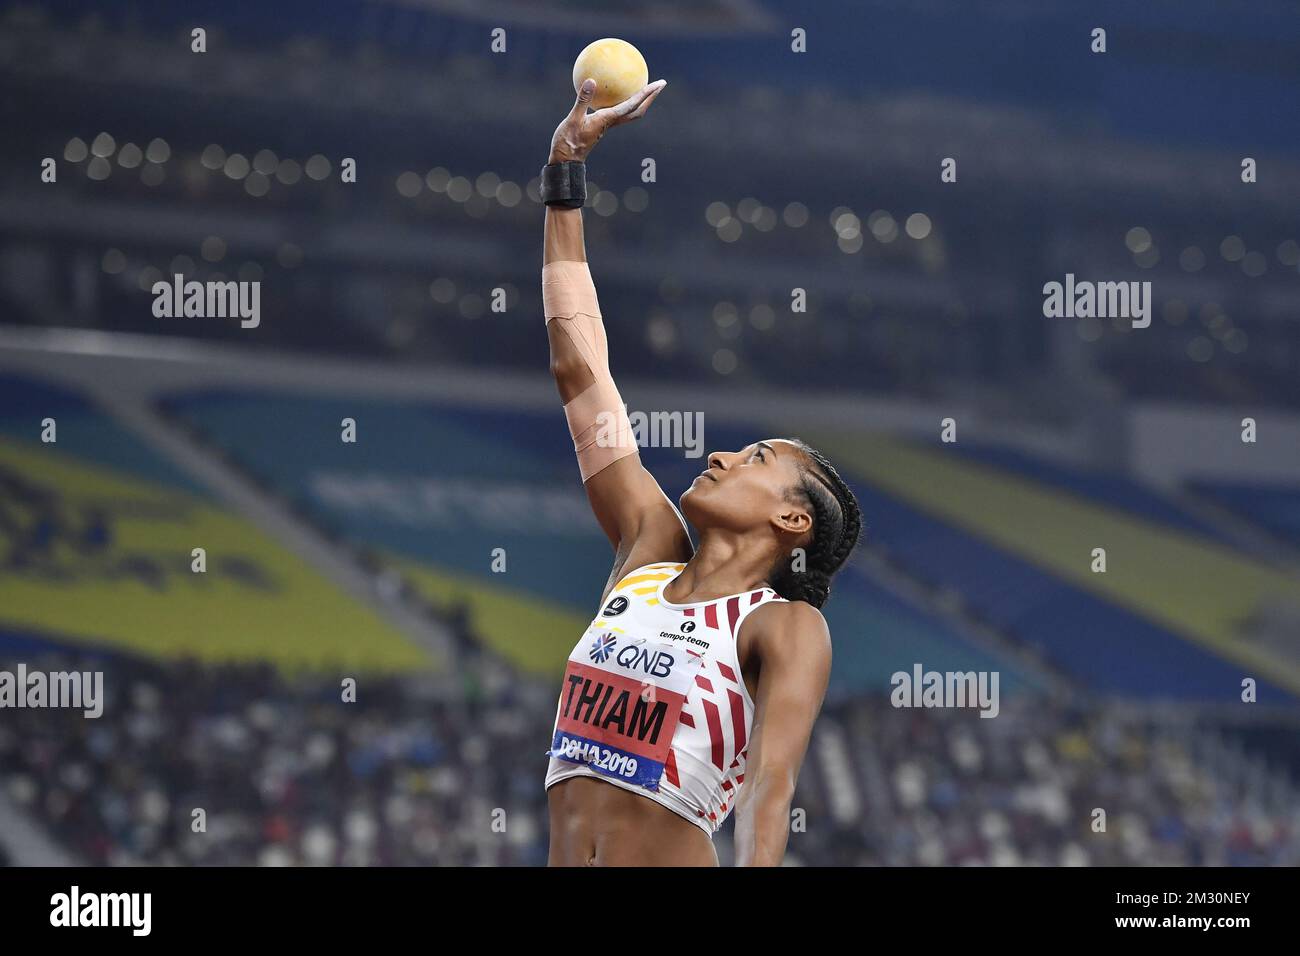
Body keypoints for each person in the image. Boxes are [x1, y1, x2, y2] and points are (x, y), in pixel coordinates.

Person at [541, 77, 862, 866]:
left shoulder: (784, 627)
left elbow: (769, 785)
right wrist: (565, 175)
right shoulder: (646, 551)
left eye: (756, 459)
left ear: (794, 521)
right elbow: (582, 376)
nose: (721, 454)